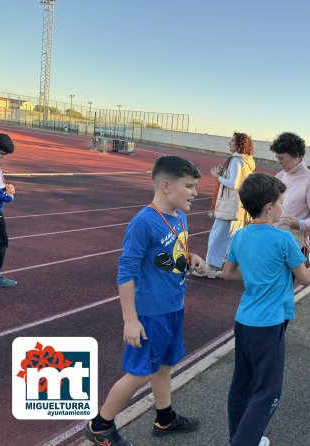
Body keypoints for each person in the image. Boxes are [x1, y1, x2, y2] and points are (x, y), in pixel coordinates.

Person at [83, 156, 205, 446]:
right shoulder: (143, 223)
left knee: (164, 366)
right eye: (189, 186)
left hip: (174, 307)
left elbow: (175, 253)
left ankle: (164, 419)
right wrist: (130, 319)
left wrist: (190, 259)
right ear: (165, 186)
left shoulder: (180, 215)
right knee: (140, 373)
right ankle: (100, 425)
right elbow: (126, 271)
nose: (195, 193)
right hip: (150, 314)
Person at [222, 172, 310, 446]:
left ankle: (239, 436)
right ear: (269, 207)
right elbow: (306, 278)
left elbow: (228, 273)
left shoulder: (240, 235)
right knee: (267, 392)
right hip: (270, 324)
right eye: (282, 203)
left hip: (244, 320)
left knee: (242, 385)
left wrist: (254, 274)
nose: (284, 208)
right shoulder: (284, 240)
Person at [194, 132, 255, 278]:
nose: (229, 143)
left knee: (217, 238)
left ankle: (210, 269)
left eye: (232, 141)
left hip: (230, 206)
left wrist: (218, 177)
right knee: (234, 241)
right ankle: (245, 269)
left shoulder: (236, 160)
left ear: (239, 144)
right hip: (240, 207)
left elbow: (233, 184)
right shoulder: (247, 161)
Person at [269, 132, 310, 254]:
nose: (278, 162)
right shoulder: (279, 176)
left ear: (296, 155)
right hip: (273, 242)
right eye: (277, 158)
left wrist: (300, 224)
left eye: (281, 158)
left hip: (295, 247)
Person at [0, 133, 17, 288]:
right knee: (1, 242)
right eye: (2, 153)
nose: (3, 157)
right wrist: (7, 198)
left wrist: (8, 188)